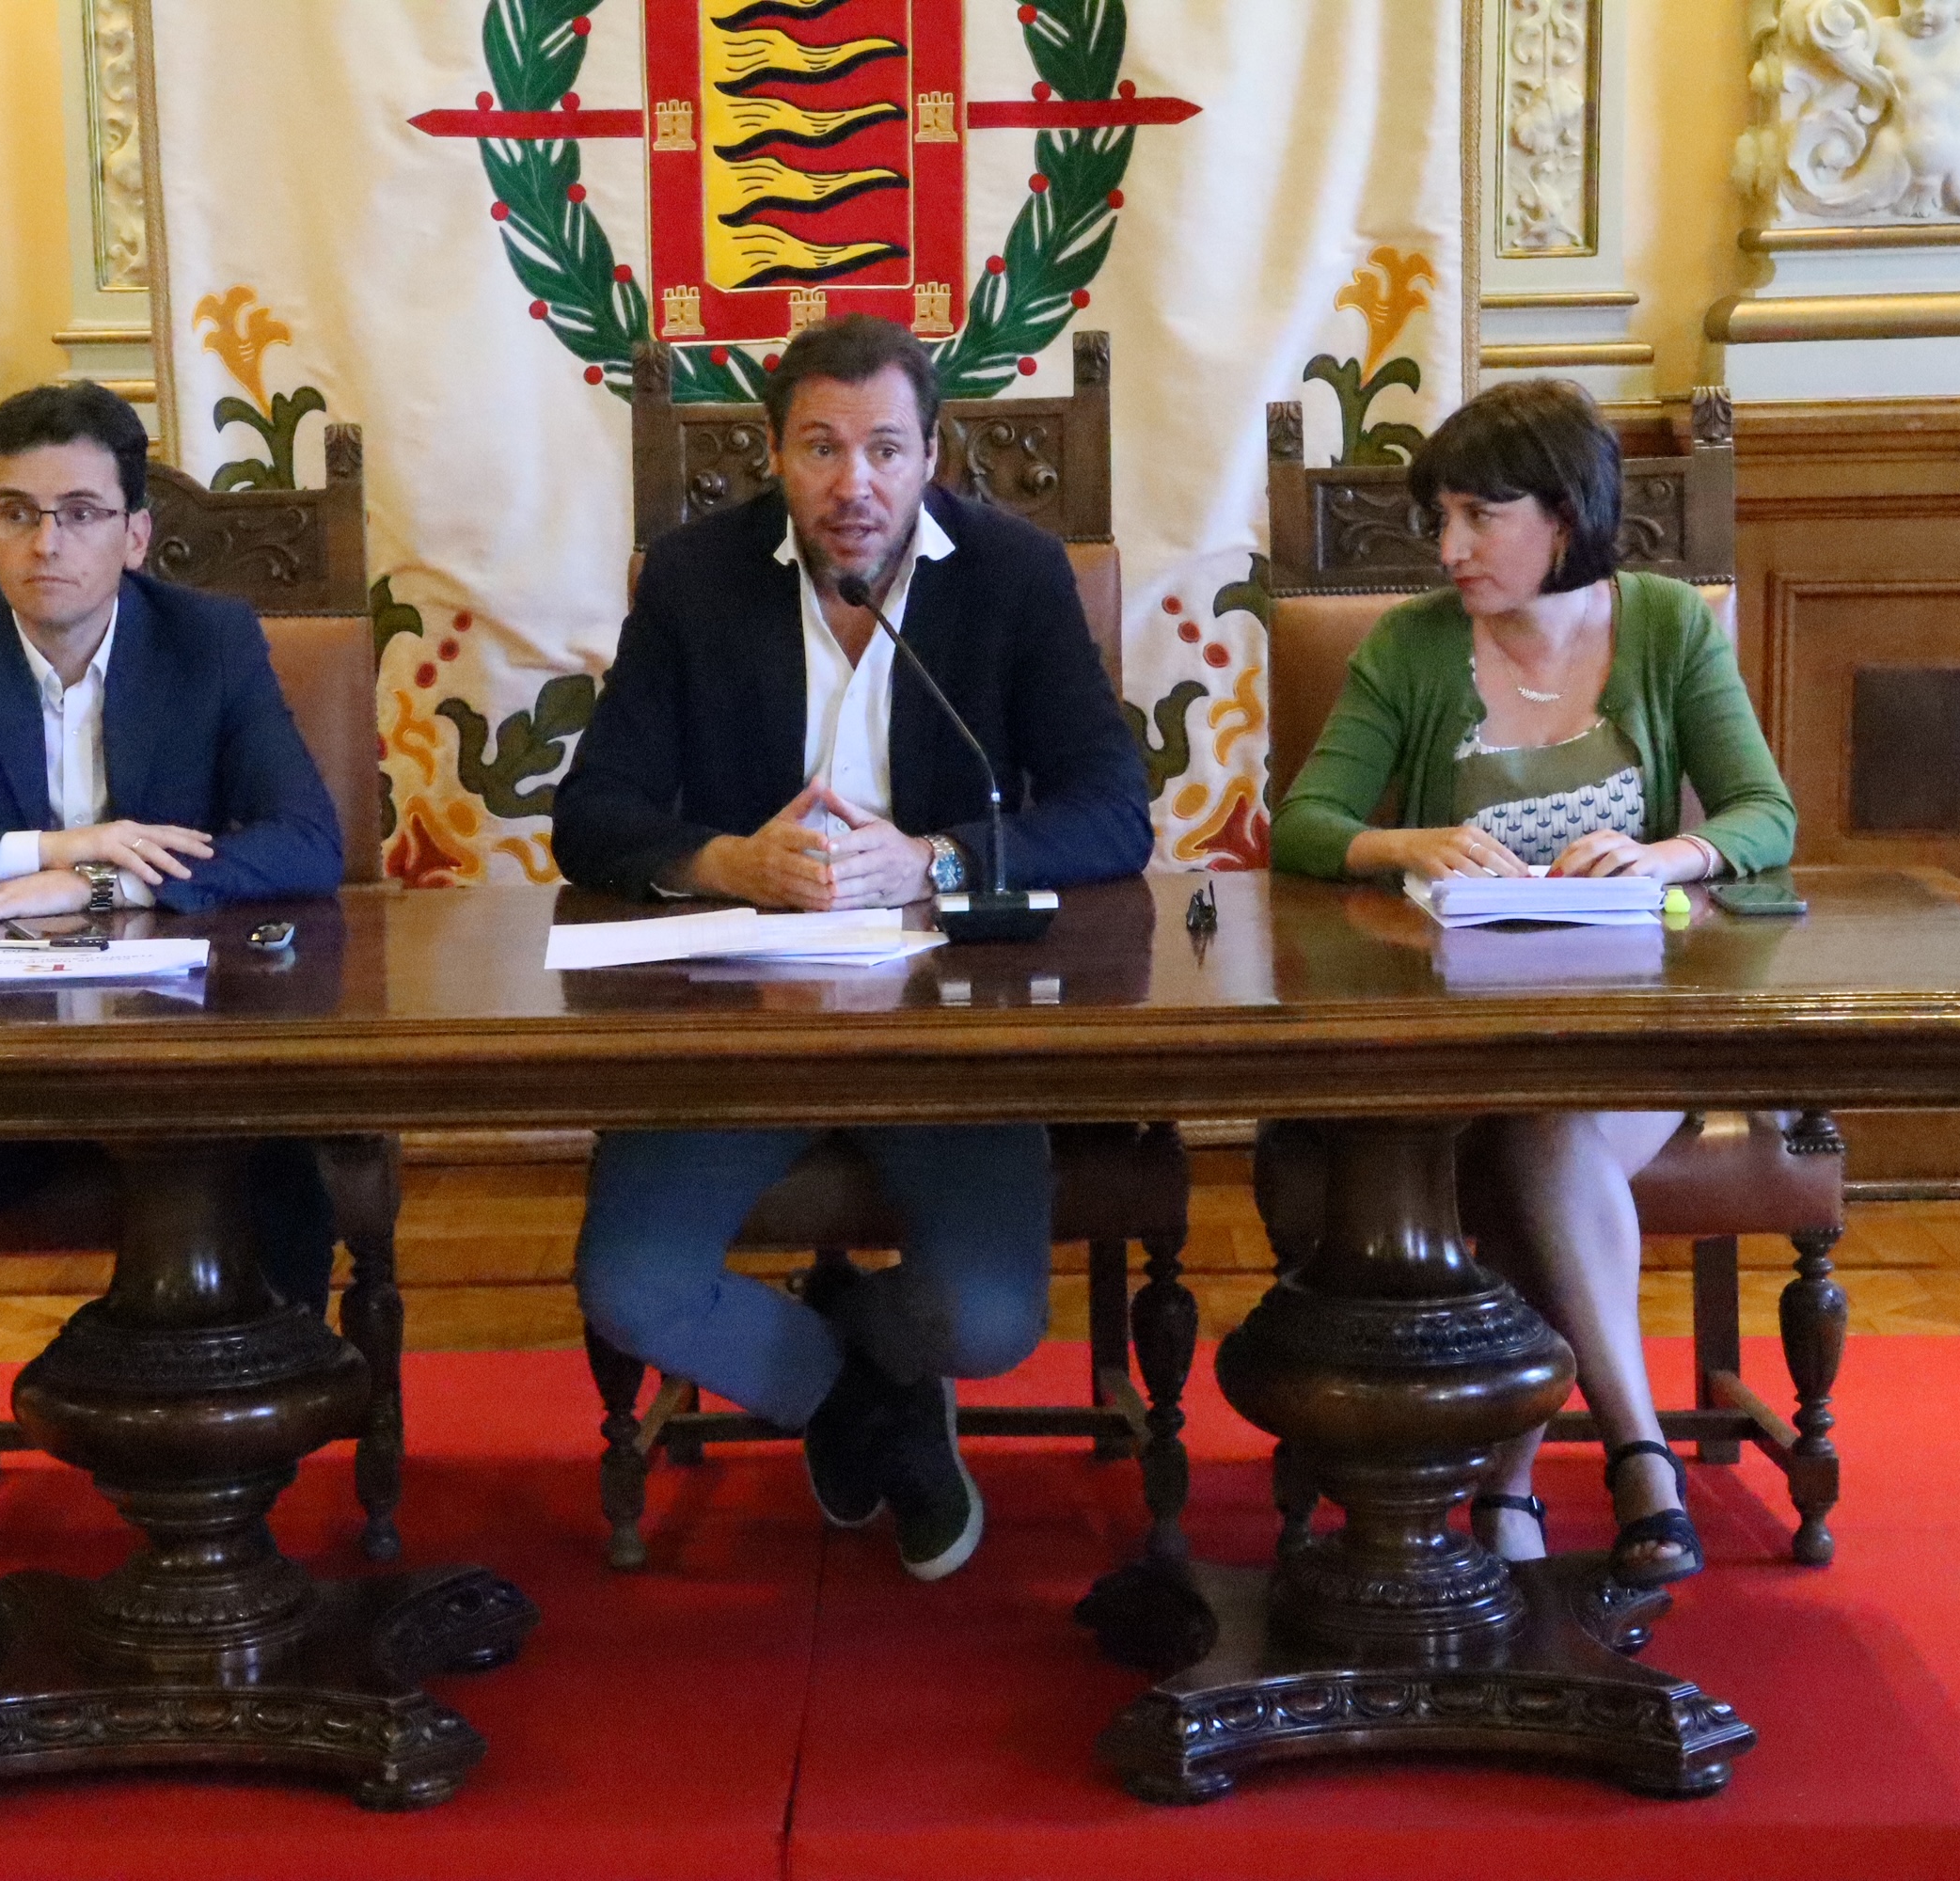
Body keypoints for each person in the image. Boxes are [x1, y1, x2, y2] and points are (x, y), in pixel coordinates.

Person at [552, 315, 1151, 1579]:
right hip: (738, 1019)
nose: (854, 482)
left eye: (885, 448)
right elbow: (592, 815)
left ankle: (873, 1340)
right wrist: (726, 859)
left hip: (946, 1020)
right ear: (774, 454)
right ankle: (851, 1393)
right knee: (633, 1285)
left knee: (990, 1319)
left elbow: (1111, 810)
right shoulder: (695, 578)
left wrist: (934, 857)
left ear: (934, 454)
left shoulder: (1014, 574)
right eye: (821, 447)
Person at [0, 380, 346, 1700]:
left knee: (290, 1188)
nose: (50, 543)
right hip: (5, 1070)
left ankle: (233, 1520)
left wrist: (96, 884)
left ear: (135, 535)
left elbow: (305, 841)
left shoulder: (211, 640)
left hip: (188, 1065)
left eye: (83, 512)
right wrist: (41, 849)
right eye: (19, 512)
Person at [1268, 377, 1796, 1588]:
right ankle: (1605, 1470)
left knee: (1549, 1128)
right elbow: (1306, 822)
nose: (1449, 548)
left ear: (1563, 515)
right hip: (1454, 1038)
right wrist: (1408, 843)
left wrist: (1672, 853)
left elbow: (1766, 813)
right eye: (1440, 519)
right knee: (1530, 1130)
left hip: (1633, 1026)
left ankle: (1580, 1471)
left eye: (1480, 516)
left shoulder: (1665, 625)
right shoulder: (1411, 646)